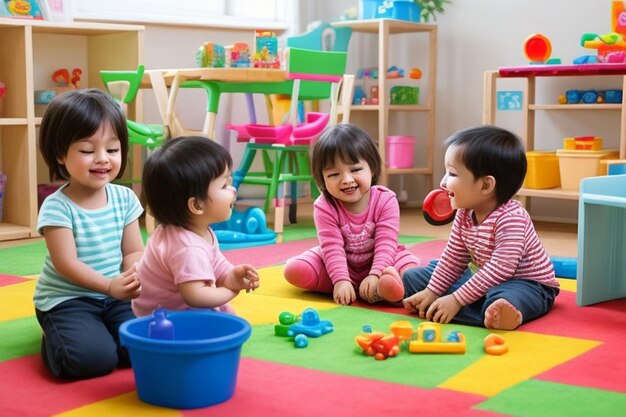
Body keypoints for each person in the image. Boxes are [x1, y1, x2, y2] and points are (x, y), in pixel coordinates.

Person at [402, 125, 560, 330]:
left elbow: (500, 270)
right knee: (414, 277)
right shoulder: (464, 212)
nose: (442, 182)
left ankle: (498, 312)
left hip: (527, 284)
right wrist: (432, 290)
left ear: (486, 185)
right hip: (483, 279)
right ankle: (463, 307)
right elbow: (453, 258)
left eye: (451, 173)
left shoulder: (512, 218)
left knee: (505, 298)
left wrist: (456, 300)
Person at [34, 89, 144, 380]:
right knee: (93, 361)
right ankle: (55, 336)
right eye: (87, 150)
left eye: (112, 149)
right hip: (68, 299)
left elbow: (133, 250)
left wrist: (132, 275)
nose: (102, 159)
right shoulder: (57, 207)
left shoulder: (125, 198)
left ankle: (98, 333)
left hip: (115, 295)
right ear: (60, 153)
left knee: (145, 347)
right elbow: (67, 265)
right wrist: (109, 286)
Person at [283, 124, 419, 305]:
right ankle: (355, 288)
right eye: (333, 174)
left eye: (355, 170)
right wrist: (340, 280)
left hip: (383, 260)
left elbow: (386, 243)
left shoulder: (386, 199)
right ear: (321, 179)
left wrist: (376, 273)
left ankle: (381, 285)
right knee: (294, 269)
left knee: (412, 270)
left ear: (372, 168)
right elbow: (331, 247)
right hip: (339, 263)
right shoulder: (324, 205)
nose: (347, 180)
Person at [132, 136, 259, 317]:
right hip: (165, 318)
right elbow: (196, 296)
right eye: (224, 185)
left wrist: (232, 274)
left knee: (230, 319)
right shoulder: (186, 247)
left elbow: (215, 262)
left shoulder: (197, 230)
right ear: (197, 206)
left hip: (176, 309)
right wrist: (231, 290)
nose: (233, 190)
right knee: (227, 326)